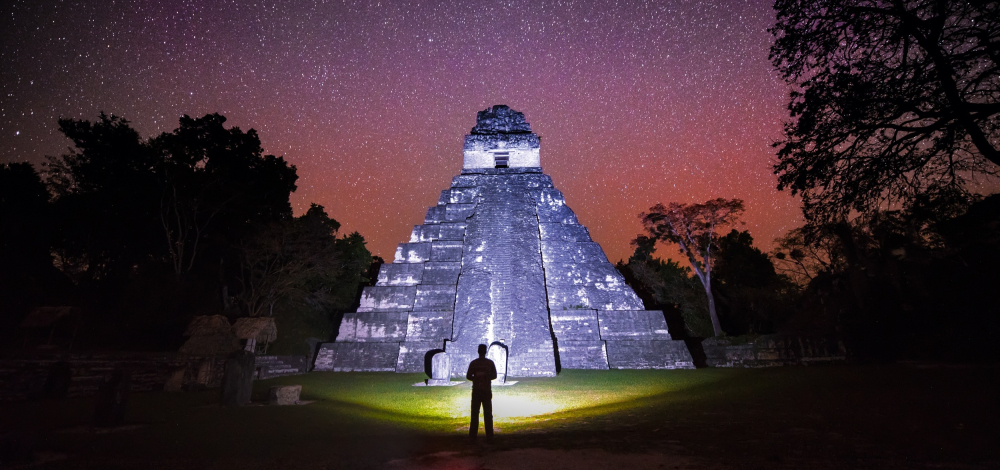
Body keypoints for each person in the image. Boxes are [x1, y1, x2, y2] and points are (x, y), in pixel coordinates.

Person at [466, 343, 497, 439]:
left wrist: (476, 377)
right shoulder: (490, 363)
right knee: (488, 414)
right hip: (486, 391)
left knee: (474, 414)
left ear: (478, 351)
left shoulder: (474, 363)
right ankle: (489, 436)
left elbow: (468, 376)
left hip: (477, 391)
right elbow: (494, 375)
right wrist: (486, 377)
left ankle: (472, 436)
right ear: (485, 352)